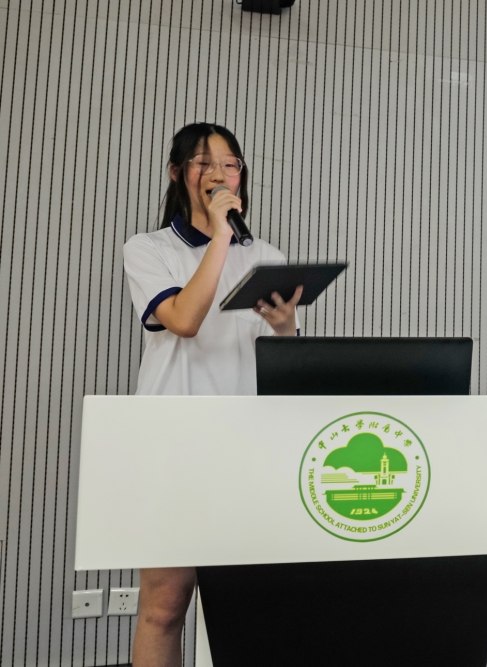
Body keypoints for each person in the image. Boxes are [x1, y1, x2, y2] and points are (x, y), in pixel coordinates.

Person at [122, 122, 302, 667]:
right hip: (170, 443)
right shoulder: (148, 249)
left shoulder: (267, 255)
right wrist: (222, 237)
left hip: (246, 446)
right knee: (165, 605)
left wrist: (286, 328)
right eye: (204, 163)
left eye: (230, 164)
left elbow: (285, 364)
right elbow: (183, 320)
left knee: (248, 605)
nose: (219, 174)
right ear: (177, 173)